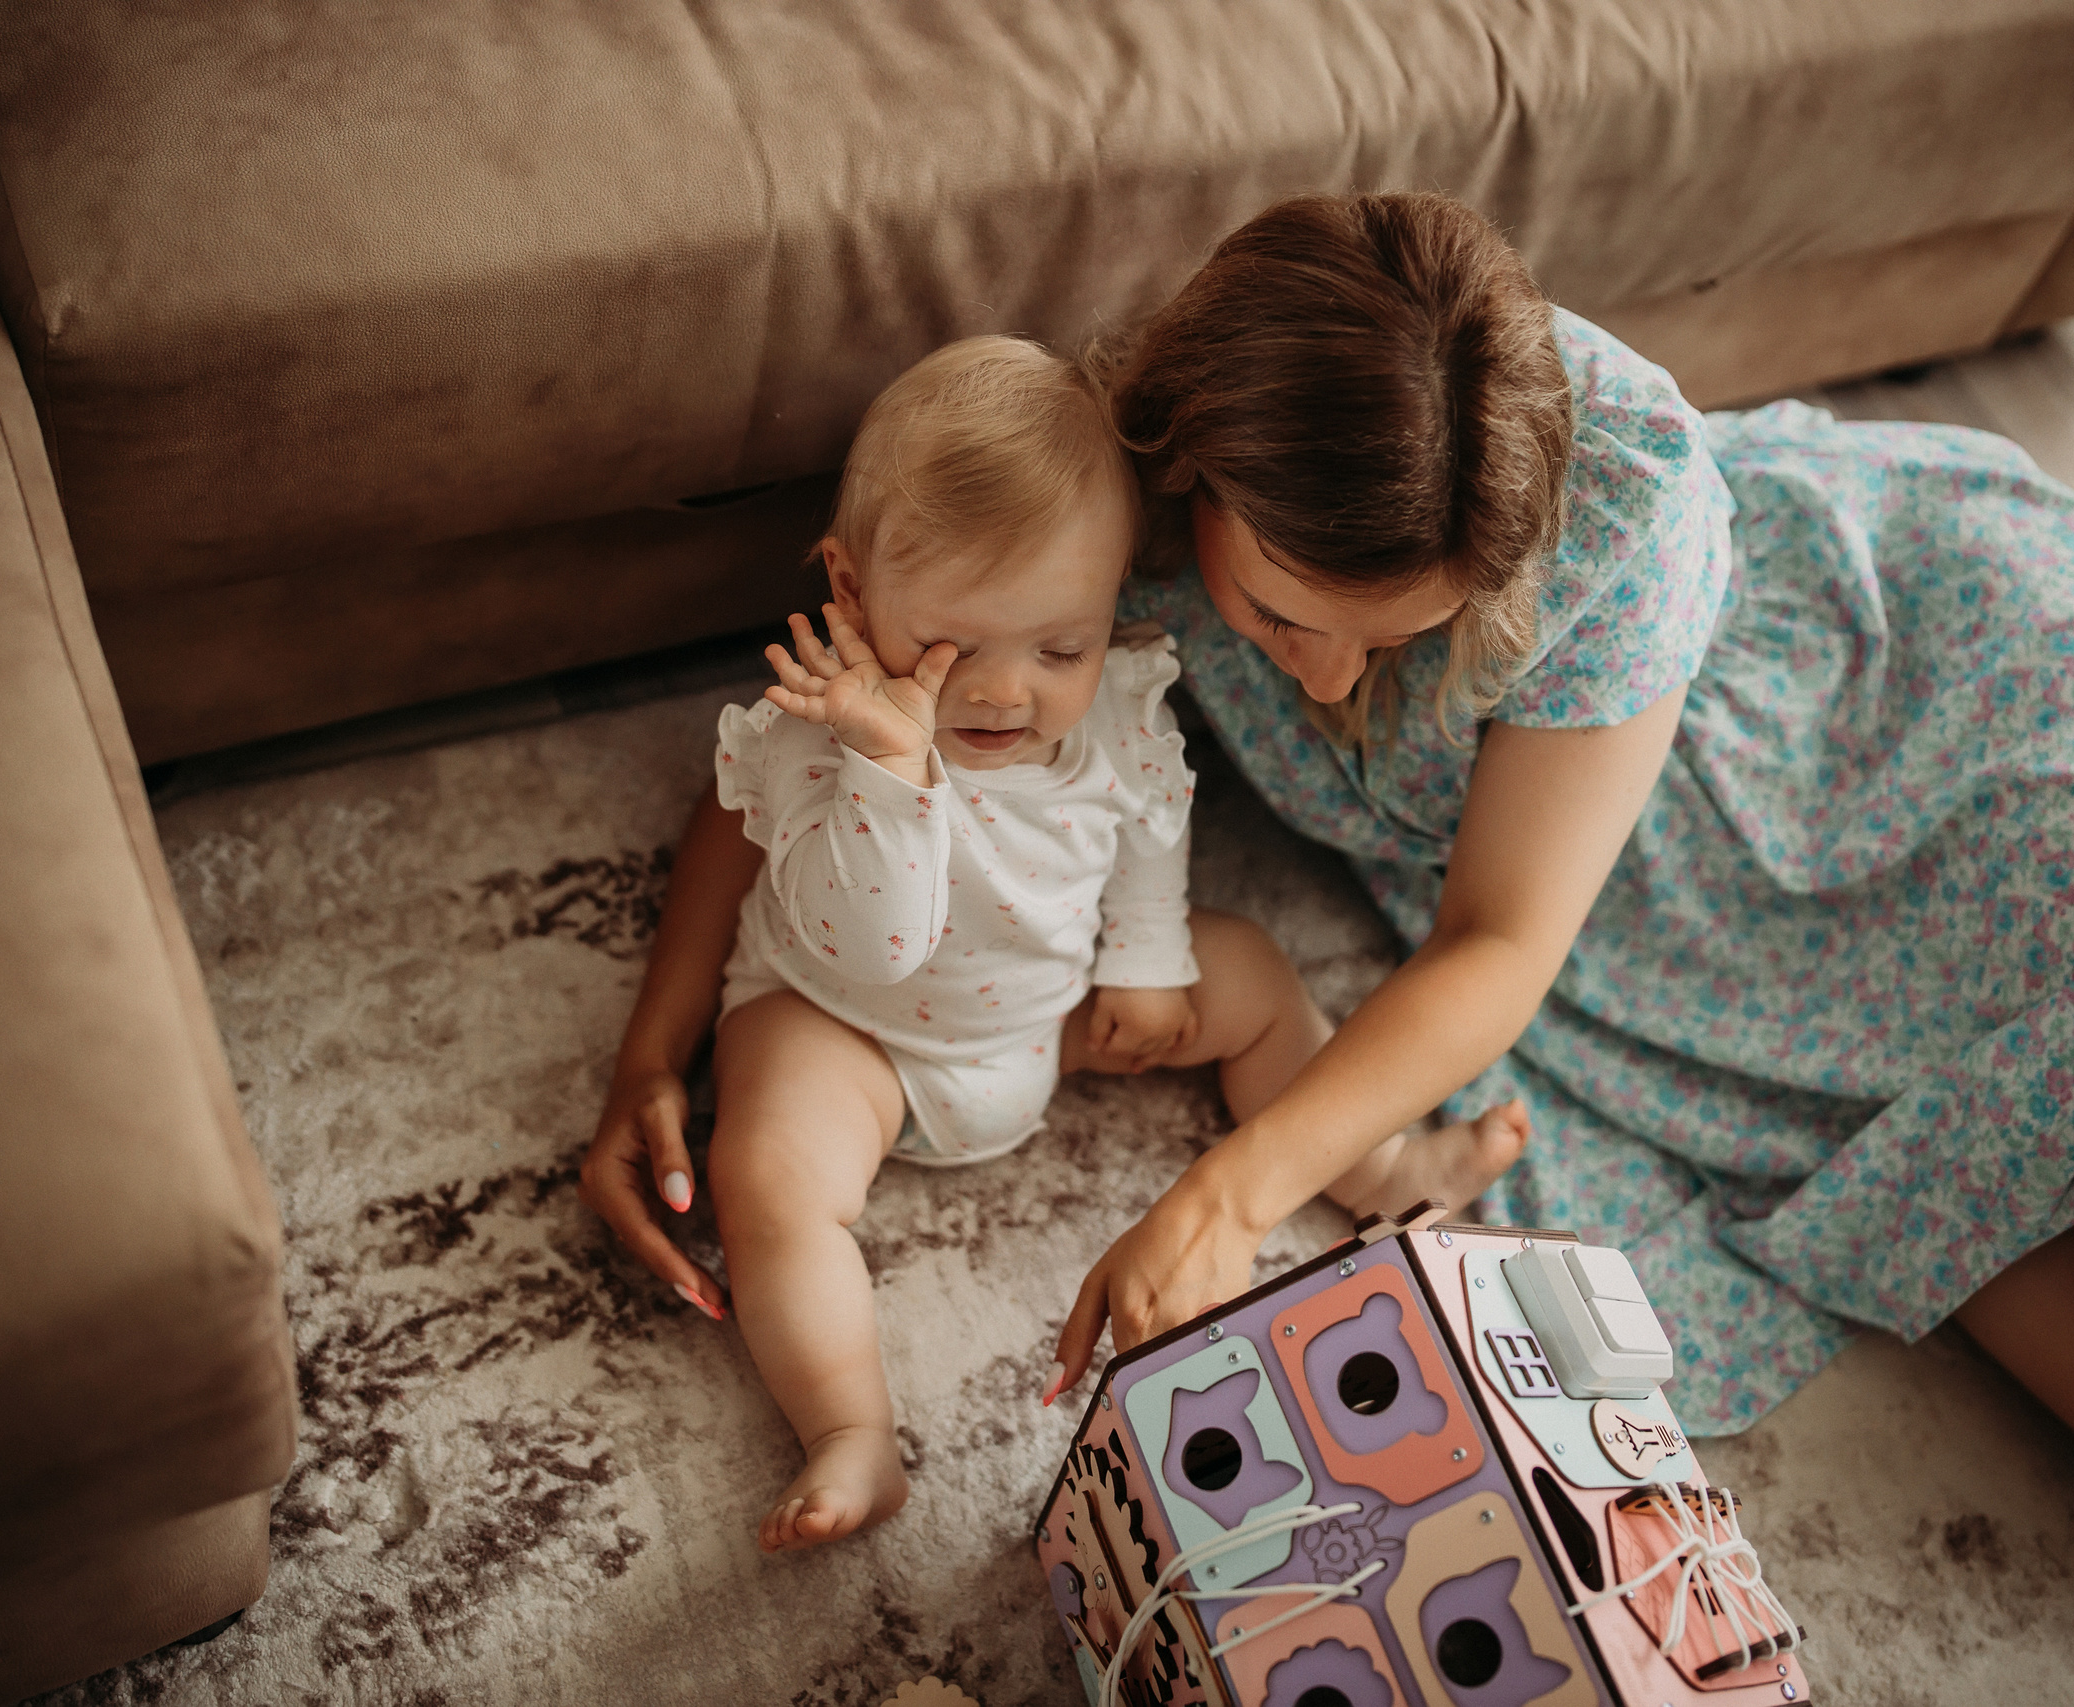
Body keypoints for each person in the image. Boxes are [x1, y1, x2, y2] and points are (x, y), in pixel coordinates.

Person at [1048, 193, 2074, 1545]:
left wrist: (1229, 1194)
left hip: (1961, 708)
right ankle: (1954, 1158)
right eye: (1281, 616)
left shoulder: (1621, 496)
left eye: (1391, 638)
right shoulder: (1123, 485)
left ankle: (2003, 1147)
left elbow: (1498, 939)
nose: (1322, 678)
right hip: (1698, 923)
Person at [577, 335, 1530, 1553]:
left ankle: (1381, 1168)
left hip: (1051, 1004)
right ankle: (850, 1429)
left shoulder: (1117, 701)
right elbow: (876, 946)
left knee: (1246, 969)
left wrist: (1146, 958)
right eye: (954, 649)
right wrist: (890, 769)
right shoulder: (814, 737)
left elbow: (1148, 823)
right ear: (851, 589)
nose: (1003, 693)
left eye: (1059, 649)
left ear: (1110, 610)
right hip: (854, 1030)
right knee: (765, 1175)